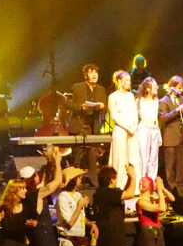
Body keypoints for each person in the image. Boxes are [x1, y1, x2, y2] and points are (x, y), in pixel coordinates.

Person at [56, 166, 97, 246]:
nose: (80, 179)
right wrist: (80, 206)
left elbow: (81, 218)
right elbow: (69, 223)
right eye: (78, 177)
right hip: (69, 241)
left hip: (81, 240)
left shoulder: (78, 195)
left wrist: (91, 225)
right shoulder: (62, 197)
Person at [89, 164, 138, 246]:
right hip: (111, 235)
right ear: (111, 179)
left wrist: (129, 178)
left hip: (109, 233)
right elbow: (129, 194)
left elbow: (123, 193)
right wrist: (133, 177)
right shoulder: (107, 192)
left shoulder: (103, 192)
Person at [67, 63, 109, 177]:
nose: (94, 75)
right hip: (79, 125)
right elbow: (68, 104)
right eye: (91, 72)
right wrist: (81, 107)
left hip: (93, 127)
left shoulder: (101, 89)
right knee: (77, 156)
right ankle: (72, 180)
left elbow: (106, 108)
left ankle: (93, 183)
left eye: (96, 72)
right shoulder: (77, 87)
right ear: (86, 75)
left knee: (92, 156)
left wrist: (102, 107)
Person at [107, 71, 139, 207]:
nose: (129, 83)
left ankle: (134, 187)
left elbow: (135, 113)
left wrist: (134, 126)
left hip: (131, 131)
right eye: (126, 80)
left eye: (129, 80)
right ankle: (118, 187)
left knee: (132, 158)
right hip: (120, 129)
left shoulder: (131, 96)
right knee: (120, 159)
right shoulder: (112, 96)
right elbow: (114, 115)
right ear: (119, 81)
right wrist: (126, 126)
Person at [158, 75, 183, 190]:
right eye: (180, 88)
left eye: (182, 88)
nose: (181, 90)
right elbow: (163, 118)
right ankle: (171, 188)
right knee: (170, 165)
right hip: (170, 137)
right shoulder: (163, 101)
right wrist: (177, 110)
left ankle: (181, 187)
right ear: (172, 87)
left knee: (181, 165)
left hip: (182, 136)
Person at [136, 176, 174, 246]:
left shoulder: (152, 199)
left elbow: (172, 199)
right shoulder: (140, 202)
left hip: (158, 231)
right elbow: (161, 208)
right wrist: (160, 191)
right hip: (148, 233)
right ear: (150, 187)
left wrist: (162, 188)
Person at [135, 77, 162, 181]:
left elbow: (156, 118)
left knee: (154, 157)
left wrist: (158, 134)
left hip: (154, 129)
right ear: (147, 88)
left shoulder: (156, 101)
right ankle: (141, 181)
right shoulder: (139, 100)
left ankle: (151, 182)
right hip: (143, 129)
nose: (157, 88)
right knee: (143, 157)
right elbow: (134, 116)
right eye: (154, 86)